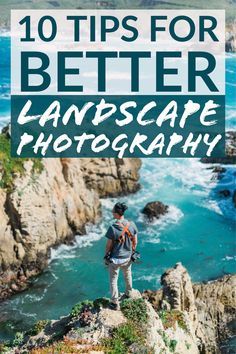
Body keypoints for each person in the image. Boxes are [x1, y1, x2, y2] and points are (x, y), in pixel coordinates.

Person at [104, 202, 138, 310]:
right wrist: (131, 251)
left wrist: (106, 255)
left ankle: (115, 303)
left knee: (113, 280)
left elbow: (108, 245)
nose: (112, 213)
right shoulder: (131, 225)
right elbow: (135, 241)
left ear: (117, 214)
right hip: (127, 258)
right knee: (127, 275)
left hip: (115, 259)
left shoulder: (112, 228)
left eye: (113, 211)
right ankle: (129, 293)